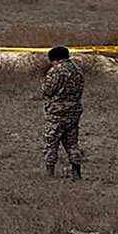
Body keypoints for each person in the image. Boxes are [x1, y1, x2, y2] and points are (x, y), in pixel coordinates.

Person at [41, 46, 84, 179]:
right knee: (72, 142)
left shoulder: (56, 71)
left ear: (55, 59)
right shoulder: (77, 70)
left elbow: (47, 90)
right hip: (74, 111)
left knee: (51, 142)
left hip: (57, 112)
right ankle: (76, 172)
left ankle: (50, 173)